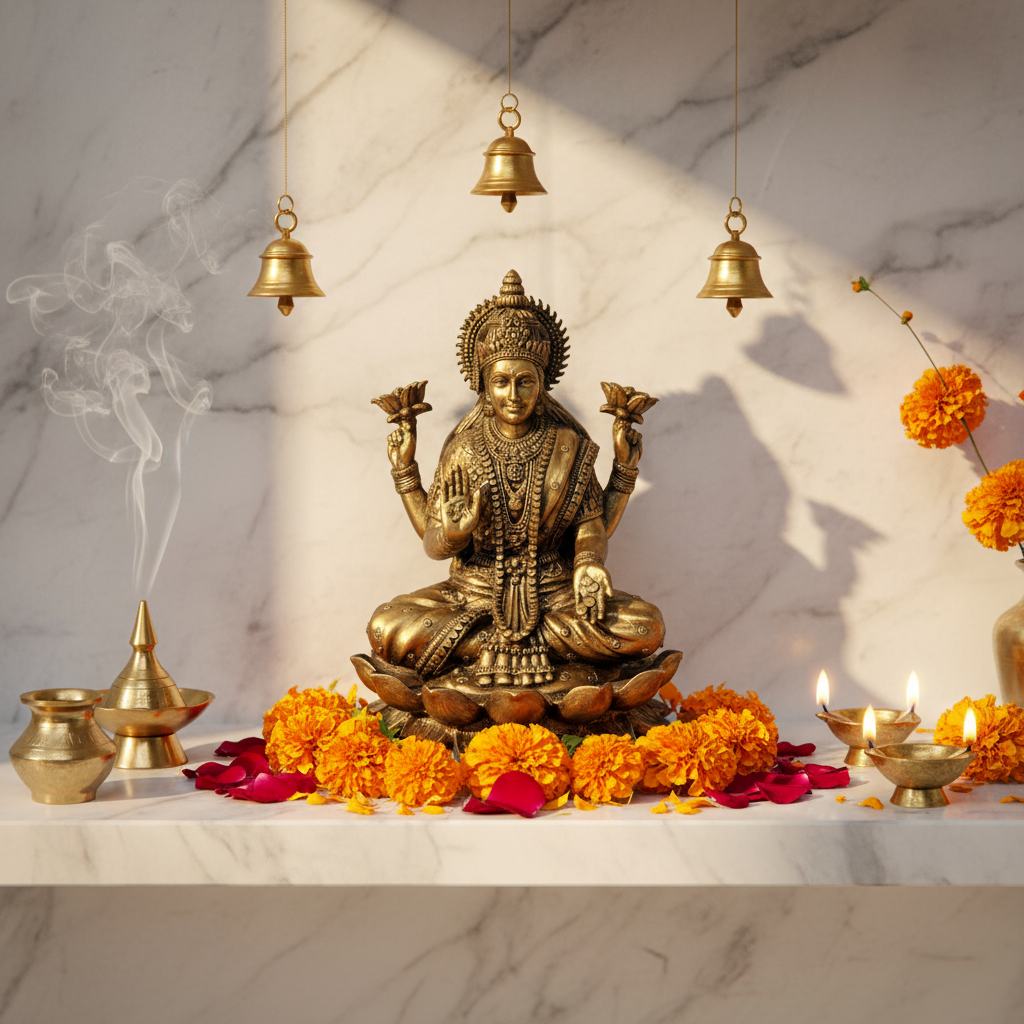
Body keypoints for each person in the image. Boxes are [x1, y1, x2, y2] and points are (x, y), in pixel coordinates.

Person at [368, 270, 665, 690]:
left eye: (525, 382)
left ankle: (489, 652)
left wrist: (588, 565)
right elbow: (432, 542)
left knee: (645, 627)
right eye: (501, 382)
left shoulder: (567, 445)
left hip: (556, 594)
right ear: (484, 388)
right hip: (473, 594)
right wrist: (452, 532)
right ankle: (535, 655)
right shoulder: (464, 449)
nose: (513, 395)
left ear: (542, 383)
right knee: (387, 626)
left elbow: (591, 527)